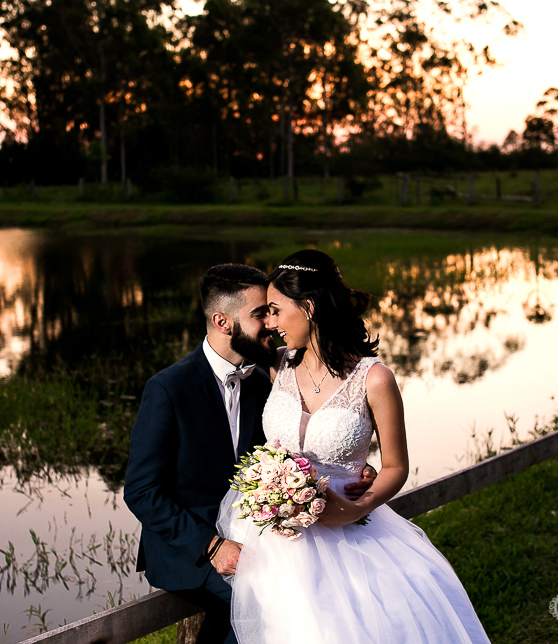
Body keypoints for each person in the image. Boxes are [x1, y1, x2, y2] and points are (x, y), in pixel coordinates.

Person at [216, 249, 492, 644]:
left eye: (276, 310)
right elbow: (227, 340)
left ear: (308, 307)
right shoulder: (277, 365)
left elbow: (396, 466)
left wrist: (358, 505)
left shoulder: (374, 379)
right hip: (275, 541)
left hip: (349, 530)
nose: (271, 322)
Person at [123, 264, 375, 644]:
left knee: (332, 589)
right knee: (274, 603)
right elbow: (141, 491)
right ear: (223, 321)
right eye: (261, 314)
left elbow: (294, 447)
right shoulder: (168, 388)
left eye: (274, 311)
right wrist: (212, 546)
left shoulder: (267, 379)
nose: (272, 324)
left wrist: (348, 467)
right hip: (190, 549)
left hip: (259, 534)